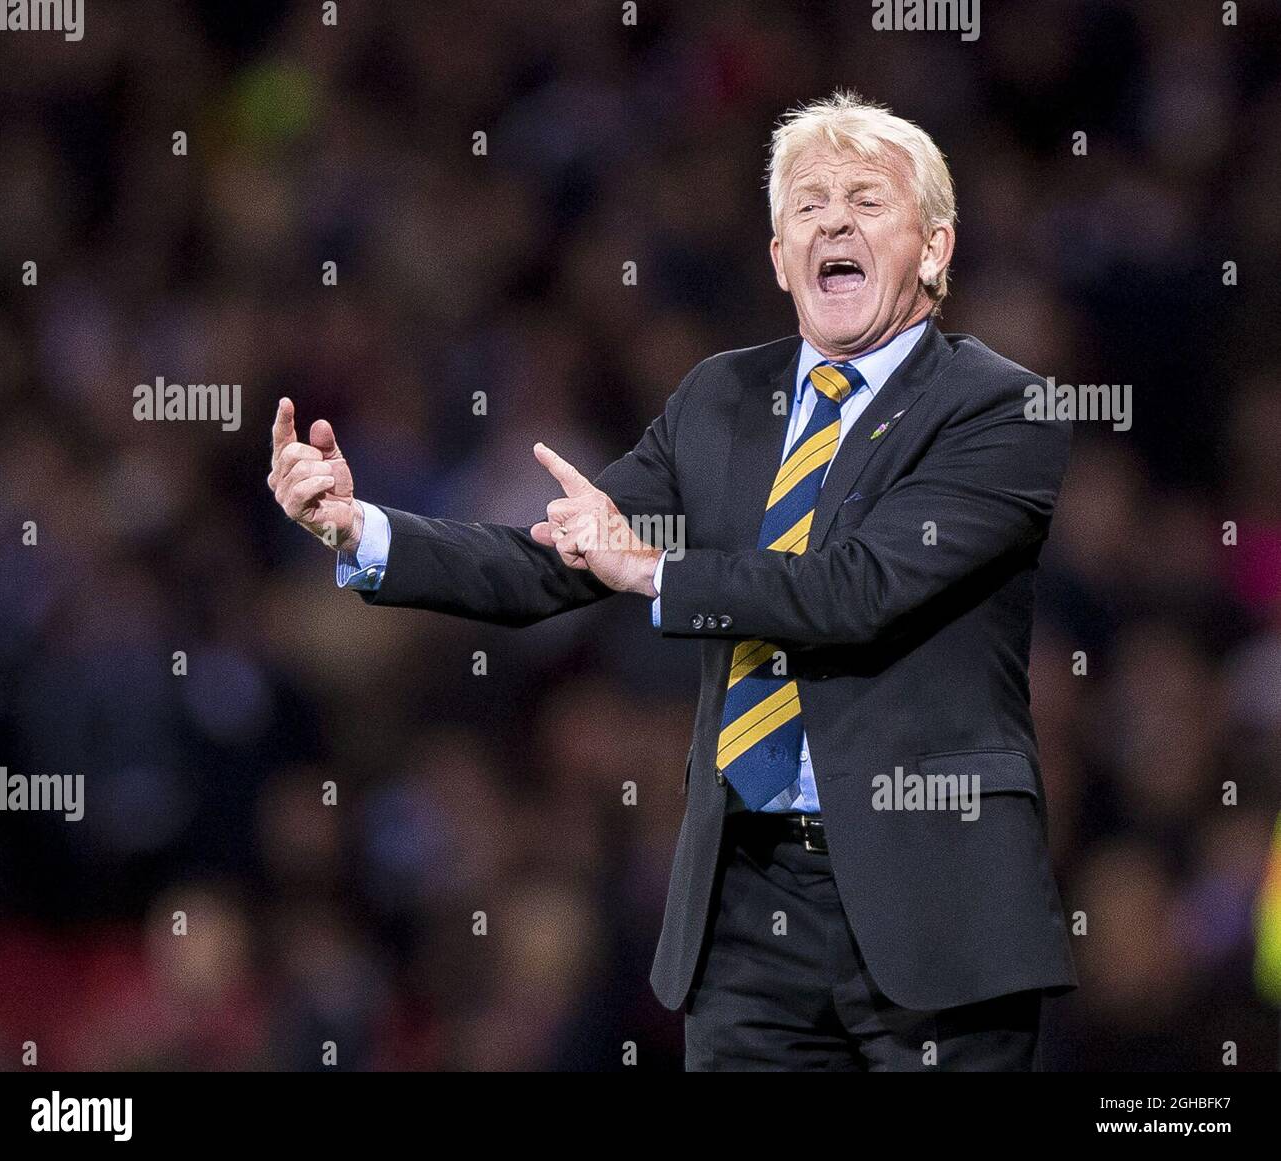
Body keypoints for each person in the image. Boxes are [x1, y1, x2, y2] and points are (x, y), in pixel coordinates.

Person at [268, 91, 1077, 1071]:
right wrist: (362, 529)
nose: (832, 221)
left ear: (936, 250)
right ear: (780, 258)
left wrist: (652, 569)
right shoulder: (720, 402)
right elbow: (554, 563)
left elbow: (858, 591)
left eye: (865, 199)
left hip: (935, 898)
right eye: (806, 205)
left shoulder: (997, 408)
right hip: (743, 905)